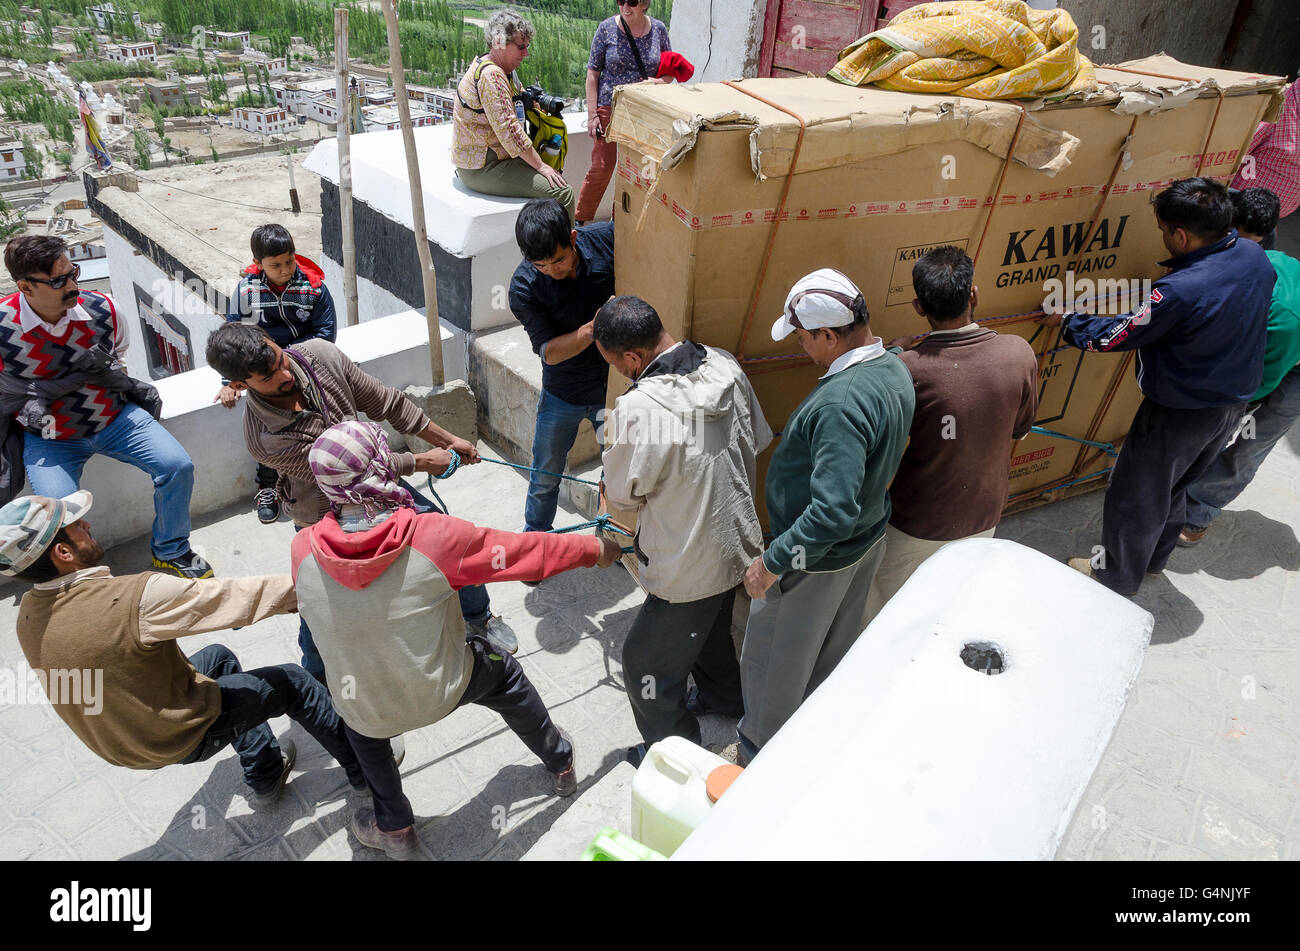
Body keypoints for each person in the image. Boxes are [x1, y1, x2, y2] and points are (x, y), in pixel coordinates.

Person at [292, 421, 623, 859]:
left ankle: (394, 830)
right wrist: (596, 551)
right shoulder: (434, 536)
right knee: (506, 677)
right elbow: (527, 553)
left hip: (366, 704)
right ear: (380, 466)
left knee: (361, 725)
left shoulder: (302, 550)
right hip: (445, 684)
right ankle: (560, 762)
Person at [3, 490, 364, 805]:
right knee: (292, 682)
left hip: (117, 739)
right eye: (77, 526)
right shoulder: (134, 598)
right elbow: (236, 598)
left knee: (218, 659)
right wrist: (326, 584)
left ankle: (265, 771)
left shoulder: (28, 618)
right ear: (64, 552)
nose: (88, 525)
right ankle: (367, 771)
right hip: (173, 737)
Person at [204, 322, 521, 675]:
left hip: (382, 493)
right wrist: (420, 462)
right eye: (268, 377)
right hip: (322, 514)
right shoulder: (262, 438)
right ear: (237, 385)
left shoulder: (320, 355)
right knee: (319, 603)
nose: (284, 374)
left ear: (273, 341)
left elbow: (388, 402)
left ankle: (478, 618)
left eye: (279, 359)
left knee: (456, 542)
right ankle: (317, 679)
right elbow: (346, 474)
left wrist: (447, 440)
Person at [1040, 177, 1276, 595]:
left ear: (1181, 235)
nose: (1163, 239)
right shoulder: (1254, 257)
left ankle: (1114, 575)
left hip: (1179, 411)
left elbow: (1115, 336)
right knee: (1176, 484)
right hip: (1232, 404)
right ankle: (1152, 559)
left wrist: (1069, 321)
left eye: (1165, 231)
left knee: (1136, 494)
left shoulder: (1179, 291)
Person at [737, 268, 914, 763]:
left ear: (830, 336)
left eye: (803, 335)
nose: (799, 345)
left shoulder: (840, 402)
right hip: (863, 545)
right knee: (826, 656)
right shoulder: (893, 366)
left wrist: (772, 563)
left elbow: (832, 512)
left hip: (814, 561)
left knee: (775, 666)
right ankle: (812, 745)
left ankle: (758, 757)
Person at [594, 296, 772, 764]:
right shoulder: (726, 366)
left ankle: (673, 751)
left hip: (686, 562)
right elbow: (758, 436)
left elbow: (623, 495)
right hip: (738, 542)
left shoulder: (637, 408)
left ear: (632, 358)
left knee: (642, 663)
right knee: (709, 625)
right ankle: (724, 698)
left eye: (616, 364)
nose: (620, 372)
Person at [0, 235, 212, 579]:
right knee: (59, 519)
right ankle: (91, 578)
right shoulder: (2, 328)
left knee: (177, 466)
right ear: (25, 286)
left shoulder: (104, 309)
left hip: (116, 418)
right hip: (51, 438)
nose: (72, 285)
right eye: (58, 280)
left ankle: (171, 549)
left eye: (74, 273)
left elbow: (118, 363)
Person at [864, 246, 1038, 623]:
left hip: (917, 521)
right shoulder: (1019, 354)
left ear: (918, 308)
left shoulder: (907, 369)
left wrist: (892, 355)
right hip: (984, 513)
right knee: (951, 601)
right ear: (973, 293)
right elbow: (1017, 432)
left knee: (885, 611)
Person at [1179, 187, 1300, 545]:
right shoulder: (1245, 269)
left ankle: (1197, 514)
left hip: (1292, 356)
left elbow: (1254, 386)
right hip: (1279, 342)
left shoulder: (1281, 318)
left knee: (1253, 436)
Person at [215, 223, 337, 525]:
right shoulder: (246, 292)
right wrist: (230, 382)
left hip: (307, 369)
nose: (284, 269)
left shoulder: (313, 287)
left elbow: (325, 334)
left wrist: (286, 356)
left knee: (314, 429)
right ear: (258, 264)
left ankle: (326, 482)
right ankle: (267, 487)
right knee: (268, 434)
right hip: (264, 375)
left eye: (289, 261)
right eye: (275, 265)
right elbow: (236, 339)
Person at [509, 198, 615, 539]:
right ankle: (536, 539)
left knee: (617, 470)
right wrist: (592, 328)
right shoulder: (524, 287)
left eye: (559, 260)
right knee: (544, 474)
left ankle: (612, 536)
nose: (553, 270)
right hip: (562, 394)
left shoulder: (604, 240)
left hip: (612, 389)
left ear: (573, 237)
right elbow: (550, 354)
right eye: (541, 265)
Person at [451, 9, 575, 220]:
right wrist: (541, 166)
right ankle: (570, 250)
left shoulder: (498, 69)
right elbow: (509, 130)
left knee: (555, 178)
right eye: (521, 47)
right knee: (563, 193)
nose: (526, 53)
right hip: (484, 166)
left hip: (492, 158)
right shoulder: (492, 75)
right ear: (500, 42)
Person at [576, 0, 673, 224]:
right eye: (621, 1)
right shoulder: (606, 28)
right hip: (610, 108)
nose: (625, 7)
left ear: (644, 3)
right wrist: (592, 115)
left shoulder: (659, 30)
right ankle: (580, 222)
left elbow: (670, 72)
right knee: (602, 167)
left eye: (632, 2)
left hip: (643, 112)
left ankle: (618, 222)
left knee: (634, 171)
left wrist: (659, 83)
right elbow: (592, 74)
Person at [1229, 76, 1297, 248]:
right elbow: (1241, 147)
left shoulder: (1285, 106)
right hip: (1255, 210)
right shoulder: (1284, 106)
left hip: (1258, 211)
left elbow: (1242, 146)